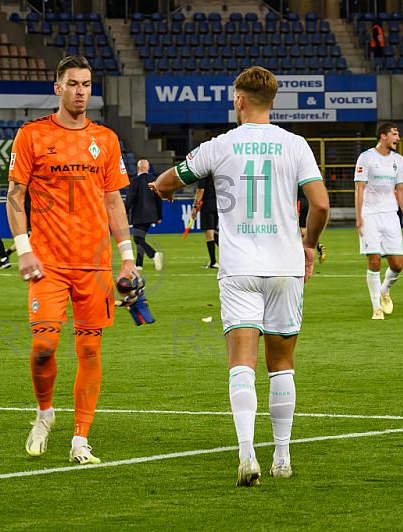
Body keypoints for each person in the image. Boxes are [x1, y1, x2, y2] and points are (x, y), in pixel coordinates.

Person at [150, 66, 330, 487]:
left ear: (240, 100)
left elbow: (167, 180)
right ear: (272, 100)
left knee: (241, 364)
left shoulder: (219, 145)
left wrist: (162, 188)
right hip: (285, 267)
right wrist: (308, 244)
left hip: (239, 270)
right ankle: (282, 458)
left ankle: (247, 453)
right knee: (281, 365)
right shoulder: (296, 144)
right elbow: (319, 204)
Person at [6, 55, 136, 465]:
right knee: (43, 346)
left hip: (94, 264)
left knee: (90, 351)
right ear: (57, 87)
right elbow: (14, 197)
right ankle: (45, 413)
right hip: (47, 262)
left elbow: (114, 202)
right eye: (73, 84)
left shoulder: (107, 139)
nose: (81, 91)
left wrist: (127, 258)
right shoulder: (31, 135)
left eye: (86, 84)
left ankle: (80, 438)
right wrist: (24, 250)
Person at [354, 123, 403, 320]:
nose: (398, 138)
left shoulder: (399, 160)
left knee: (397, 265)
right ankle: (376, 307)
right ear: (383, 136)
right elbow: (359, 188)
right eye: (395, 134)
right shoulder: (366, 157)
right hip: (370, 215)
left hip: (390, 215)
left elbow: (401, 190)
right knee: (374, 261)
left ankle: (384, 290)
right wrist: (359, 216)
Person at [124, 158, 163, 270]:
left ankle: (153, 254)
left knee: (137, 239)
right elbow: (159, 199)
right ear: (149, 168)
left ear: (137, 168)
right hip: (151, 214)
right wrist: (159, 216)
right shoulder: (154, 180)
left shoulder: (135, 181)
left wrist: (125, 212)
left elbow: (130, 198)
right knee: (140, 238)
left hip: (138, 214)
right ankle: (139, 264)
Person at [194, 174, 219, 268]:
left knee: (209, 233)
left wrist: (195, 206)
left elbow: (201, 190)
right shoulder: (217, 172)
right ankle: (229, 253)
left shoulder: (204, 174)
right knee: (210, 231)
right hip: (218, 203)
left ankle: (213, 262)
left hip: (208, 204)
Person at [298, 186, 326, 263]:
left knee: (296, 228)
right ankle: (318, 246)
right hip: (307, 202)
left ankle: (296, 253)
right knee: (302, 228)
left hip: (298, 202)